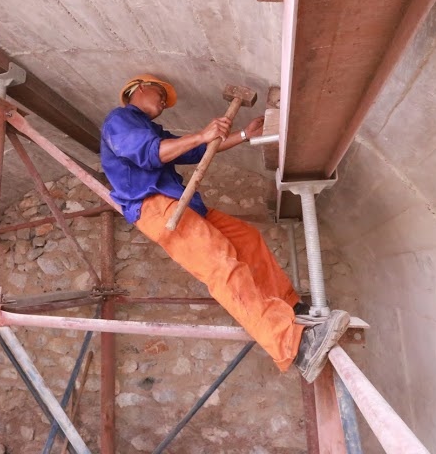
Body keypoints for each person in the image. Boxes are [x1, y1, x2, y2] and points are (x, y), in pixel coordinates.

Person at [100, 74, 349, 382]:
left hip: (184, 205)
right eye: (160, 92)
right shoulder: (119, 119)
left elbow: (195, 152)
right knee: (222, 267)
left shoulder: (151, 129)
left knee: (248, 238)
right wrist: (200, 135)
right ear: (136, 89)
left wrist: (243, 133)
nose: (164, 100)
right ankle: (295, 344)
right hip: (156, 206)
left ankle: (292, 307)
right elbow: (151, 153)